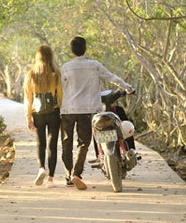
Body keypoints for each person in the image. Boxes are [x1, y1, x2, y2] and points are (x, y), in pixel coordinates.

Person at [60, 36, 134, 190]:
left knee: (66, 143)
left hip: (68, 109)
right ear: (85, 49)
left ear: (72, 51)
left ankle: (68, 176)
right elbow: (112, 77)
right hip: (88, 109)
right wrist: (128, 88)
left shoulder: (66, 67)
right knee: (83, 143)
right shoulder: (94, 65)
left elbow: (61, 88)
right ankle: (76, 174)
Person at [24, 45, 63, 188]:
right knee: (52, 146)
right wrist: (63, 116)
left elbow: (28, 98)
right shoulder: (56, 73)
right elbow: (61, 97)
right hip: (54, 112)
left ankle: (41, 168)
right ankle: (51, 179)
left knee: (41, 144)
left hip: (38, 113)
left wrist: (28, 118)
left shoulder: (31, 74)